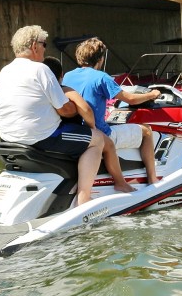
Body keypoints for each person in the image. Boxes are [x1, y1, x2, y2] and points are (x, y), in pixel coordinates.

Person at [0, 25, 106, 207]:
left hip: (8, 137)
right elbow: (65, 110)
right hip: (41, 138)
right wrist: (75, 105)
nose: (45, 49)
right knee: (97, 139)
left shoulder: (4, 71)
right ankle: (84, 197)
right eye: (44, 44)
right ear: (33, 46)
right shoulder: (40, 70)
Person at [63, 37, 160, 185]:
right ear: (100, 59)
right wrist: (152, 94)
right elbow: (131, 99)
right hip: (99, 132)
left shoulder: (68, 76)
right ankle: (153, 179)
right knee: (146, 131)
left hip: (77, 131)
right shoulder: (101, 77)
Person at [43, 56, 135, 193]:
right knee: (106, 143)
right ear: (61, 75)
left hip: (44, 133)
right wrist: (92, 128)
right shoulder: (64, 90)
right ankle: (119, 183)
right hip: (62, 133)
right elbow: (86, 110)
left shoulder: (39, 91)